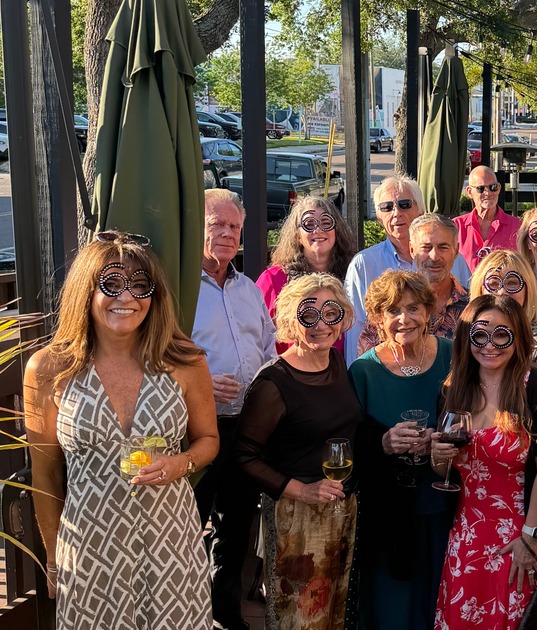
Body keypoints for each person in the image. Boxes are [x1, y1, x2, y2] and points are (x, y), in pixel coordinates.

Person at [25, 231, 219, 629]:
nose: (126, 297)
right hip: (89, 551)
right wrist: (52, 556)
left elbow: (209, 441)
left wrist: (181, 463)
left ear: (154, 294)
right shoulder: (48, 369)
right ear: (85, 291)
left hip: (171, 545)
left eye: (139, 285)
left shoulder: (185, 361)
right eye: (111, 283)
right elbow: (44, 476)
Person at [235, 274, 361, 629]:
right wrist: (301, 489)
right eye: (309, 315)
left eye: (330, 312)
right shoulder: (273, 382)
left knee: (333, 614)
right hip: (297, 519)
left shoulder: (337, 365)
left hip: (342, 510)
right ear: (291, 319)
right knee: (299, 620)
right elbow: (244, 456)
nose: (321, 324)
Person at [431, 295, 537, 630]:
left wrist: (530, 538)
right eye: (480, 334)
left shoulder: (536, 389)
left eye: (502, 335)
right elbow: (444, 471)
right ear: (466, 338)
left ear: (518, 337)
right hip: (467, 537)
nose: (490, 345)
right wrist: (437, 457)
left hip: (522, 537)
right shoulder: (452, 390)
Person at [192, 190, 278, 630]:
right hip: (197, 429)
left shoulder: (248, 289)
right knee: (191, 527)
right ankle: (187, 613)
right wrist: (200, 382)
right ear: (198, 226)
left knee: (237, 526)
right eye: (216, 225)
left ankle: (225, 614)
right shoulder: (180, 288)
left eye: (234, 227)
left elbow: (267, 348)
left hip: (246, 429)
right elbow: (157, 358)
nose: (227, 234)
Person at [349, 270, 453, 629]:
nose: (404, 319)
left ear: (428, 311)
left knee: (438, 597)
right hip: (388, 512)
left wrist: (441, 438)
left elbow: (474, 415)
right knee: (391, 608)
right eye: (393, 310)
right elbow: (350, 441)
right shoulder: (363, 371)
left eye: (413, 308)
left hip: (443, 503)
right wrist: (383, 442)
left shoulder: (451, 357)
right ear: (378, 318)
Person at [344, 175, 472, 361]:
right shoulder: (364, 263)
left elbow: (465, 301)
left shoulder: (454, 259)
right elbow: (355, 329)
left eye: (404, 204)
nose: (396, 212)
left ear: (420, 210)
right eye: (386, 207)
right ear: (379, 217)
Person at [471, 249, 537, 430]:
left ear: (527, 289)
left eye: (512, 283)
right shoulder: (468, 335)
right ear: (480, 289)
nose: (502, 291)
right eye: (493, 283)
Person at [255, 195, 356, 354]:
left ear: (336, 230)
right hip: (292, 374)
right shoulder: (273, 279)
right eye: (309, 224)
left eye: (325, 222)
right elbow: (257, 336)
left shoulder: (353, 275)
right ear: (297, 235)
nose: (318, 230)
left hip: (346, 373)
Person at [411, 212, 470, 339]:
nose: (434, 256)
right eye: (426, 247)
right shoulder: (392, 304)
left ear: (456, 251)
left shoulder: (474, 305)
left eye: (443, 247)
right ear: (412, 250)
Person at [455, 165, 521, 272]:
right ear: (469, 192)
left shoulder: (517, 227)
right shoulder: (456, 227)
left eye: (493, 187)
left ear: (499, 188)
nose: (488, 193)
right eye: (481, 189)